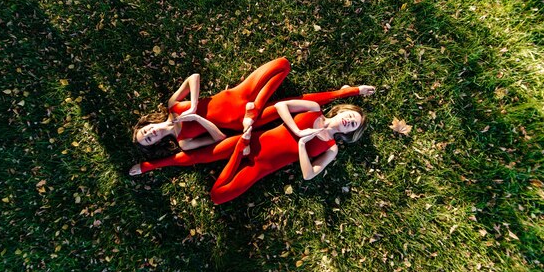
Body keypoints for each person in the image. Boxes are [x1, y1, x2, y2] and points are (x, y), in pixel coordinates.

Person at [129, 100, 368, 204]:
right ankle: (150, 165)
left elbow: (309, 174)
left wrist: (303, 145)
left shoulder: (331, 148)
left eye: (353, 124)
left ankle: (237, 151)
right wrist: (296, 129)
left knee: (217, 196)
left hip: (259, 166)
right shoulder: (314, 110)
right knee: (200, 155)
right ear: (342, 110)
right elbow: (282, 106)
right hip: (251, 139)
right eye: (350, 115)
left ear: (350, 133)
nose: (349, 120)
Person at [134, 57, 375, 151]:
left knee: (282, 65)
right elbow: (219, 139)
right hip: (242, 120)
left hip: (240, 95)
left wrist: (193, 105)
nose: (150, 133)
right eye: (149, 138)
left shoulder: (172, 105)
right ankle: (348, 92)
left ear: (147, 123)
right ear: (156, 142)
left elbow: (194, 78)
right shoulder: (184, 142)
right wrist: (197, 119)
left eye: (145, 131)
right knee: (299, 102)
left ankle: (258, 104)